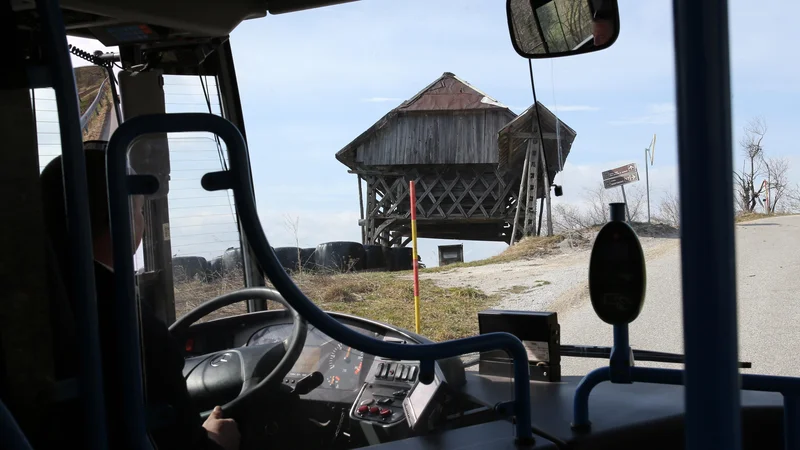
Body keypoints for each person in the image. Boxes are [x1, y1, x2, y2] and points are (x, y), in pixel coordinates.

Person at [40, 144, 240, 450]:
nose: (143, 222)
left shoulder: (46, 295)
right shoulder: (125, 319)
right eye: (140, 211)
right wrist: (216, 439)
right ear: (121, 218)